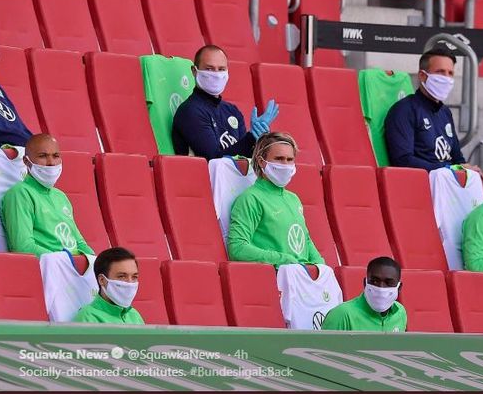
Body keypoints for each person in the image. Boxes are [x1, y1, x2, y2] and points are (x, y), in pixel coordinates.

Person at [227, 132, 325, 269]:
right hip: (275, 278)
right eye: (279, 158)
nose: (285, 164)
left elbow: (305, 240)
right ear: (261, 161)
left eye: (290, 159)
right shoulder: (250, 199)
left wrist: (320, 266)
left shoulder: (293, 199)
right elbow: (237, 248)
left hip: (302, 278)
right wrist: (283, 260)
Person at [172, 44, 279, 161]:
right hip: (201, 178)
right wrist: (250, 138)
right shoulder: (190, 111)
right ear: (194, 71)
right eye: (209, 69)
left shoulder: (232, 111)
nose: (216, 74)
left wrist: (259, 141)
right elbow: (215, 160)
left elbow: (244, 157)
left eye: (221, 69)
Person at [384, 46, 480, 173]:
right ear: (423, 76)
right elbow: (402, 160)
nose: (447, 78)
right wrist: (448, 169)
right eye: (440, 72)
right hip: (421, 185)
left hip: (449, 182)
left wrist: (469, 170)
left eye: (450, 73)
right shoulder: (404, 110)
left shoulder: (445, 112)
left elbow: (457, 158)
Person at [1, 133, 94, 257]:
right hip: (50, 268)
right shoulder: (19, 194)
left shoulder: (61, 196)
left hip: (73, 267)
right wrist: (64, 263)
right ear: (26, 161)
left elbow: (79, 243)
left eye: (56, 156)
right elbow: (23, 246)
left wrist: (97, 264)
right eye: (42, 156)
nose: (51, 163)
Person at [322, 256, 407, 332]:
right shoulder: (341, 315)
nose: (381, 288)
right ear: (365, 283)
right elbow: (323, 349)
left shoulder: (400, 312)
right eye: (374, 281)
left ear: (399, 287)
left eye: (389, 283)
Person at [73, 247, 144, 324]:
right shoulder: (87, 318)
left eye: (134, 277)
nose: (130, 283)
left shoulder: (134, 315)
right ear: (102, 280)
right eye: (122, 276)